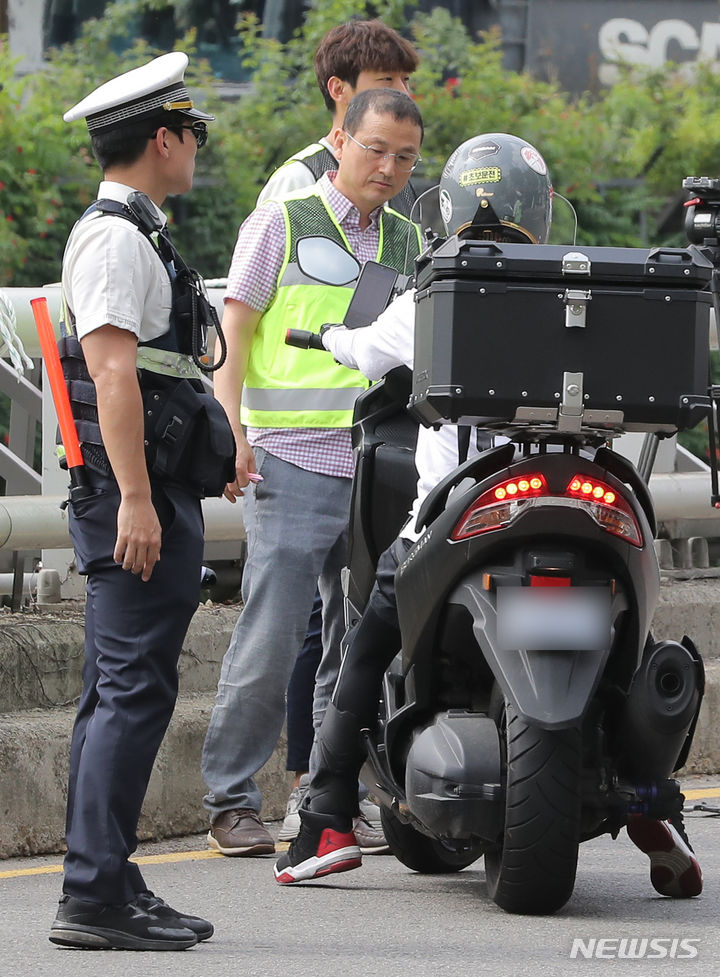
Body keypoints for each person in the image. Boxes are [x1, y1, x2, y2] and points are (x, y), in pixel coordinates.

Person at [273, 133, 705, 901]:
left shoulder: (435, 287)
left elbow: (366, 352)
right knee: (633, 646)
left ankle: (327, 819)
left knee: (367, 638)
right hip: (589, 498)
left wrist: (331, 335)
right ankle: (651, 800)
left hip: (468, 506)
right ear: (537, 211)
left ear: (450, 203)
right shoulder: (599, 292)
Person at [201, 87, 424, 858]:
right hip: (290, 458)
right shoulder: (282, 221)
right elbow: (231, 334)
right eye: (374, 149)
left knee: (359, 644)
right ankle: (230, 798)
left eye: (404, 156)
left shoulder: (409, 240)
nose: (388, 167)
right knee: (271, 635)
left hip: (379, 465)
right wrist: (230, 430)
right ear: (339, 138)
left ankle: (326, 793)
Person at [49, 52, 235, 950]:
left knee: (119, 692)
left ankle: (111, 877)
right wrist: (134, 500)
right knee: (130, 693)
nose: (197, 147)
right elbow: (114, 373)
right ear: (162, 138)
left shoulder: (136, 228)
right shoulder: (117, 240)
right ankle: (92, 894)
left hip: (153, 486)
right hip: (134, 494)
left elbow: (160, 374)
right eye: (191, 133)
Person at [257, 17, 420, 847]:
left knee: (348, 624)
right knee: (308, 626)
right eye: (386, 85)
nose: (400, 110)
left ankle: (333, 787)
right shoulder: (294, 188)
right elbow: (253, 301)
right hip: (298, 439)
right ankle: (297, 787)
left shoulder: (399, 208)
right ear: (341, 97)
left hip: (367, 438)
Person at [258, 18, 419, 218]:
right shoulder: (299, 178)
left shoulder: (400, 184)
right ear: (338, 89)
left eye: (406, 80)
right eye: (387, 79)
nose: (403, 93)